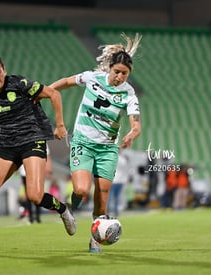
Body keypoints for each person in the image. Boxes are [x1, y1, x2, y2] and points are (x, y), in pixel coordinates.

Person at [0, 54, 76, 254]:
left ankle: (63, 209)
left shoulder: (20, 83)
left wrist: (60, 125)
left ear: (4, 69)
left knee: (34, 195)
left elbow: (54, 94)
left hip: (33, 139)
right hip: (8, 144)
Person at [50, 33, 142, 253]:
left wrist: (132, 133)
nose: (120, 77)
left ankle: (95, 240)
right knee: (81, 189)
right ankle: (73, 204)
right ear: (109, 68)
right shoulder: (92, 78)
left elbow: (136, 124)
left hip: (107, 149)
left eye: (125, 74)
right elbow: (65, 82)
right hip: (83, 141)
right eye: (117, 72)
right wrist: (45, 91)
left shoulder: (129, 93)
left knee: (102, 198)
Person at [17, 147, 52, 224]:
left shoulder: (42, 139)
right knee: (28, 195)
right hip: (24, 173)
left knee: (38, 194)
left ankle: (38, 217)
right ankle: (31, 217)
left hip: (37, 171)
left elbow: (48, 155)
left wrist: (48, 169)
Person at [107, 149, 129, 217]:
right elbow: (125, 170)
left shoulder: (112, 158)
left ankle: (107, 211)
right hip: (119, 181)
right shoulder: (123, 159)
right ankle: (115, 211)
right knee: (116, 197)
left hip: (113, 180)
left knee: (110, 197)